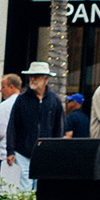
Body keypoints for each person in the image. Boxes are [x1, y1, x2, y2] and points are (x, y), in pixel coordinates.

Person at [4, 61, 61, 191]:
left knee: (41, 187)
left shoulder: (54, 100)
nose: (33, 79)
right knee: (25, 187)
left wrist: (56, 150)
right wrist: (10, 150)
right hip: (23, 151)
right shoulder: (22, 99)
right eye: (31, 76)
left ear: (46, 79)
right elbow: (12, 125)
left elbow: (59, 127)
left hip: (45, 152)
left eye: (37, 76)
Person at [0, 73, 21, 186]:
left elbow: (1, 131)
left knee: (4, 191)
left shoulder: (6, 105)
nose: (0, 91)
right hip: (21, 155)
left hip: (5, 154)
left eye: (3, 87)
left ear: (11, 87)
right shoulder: (25, 103)